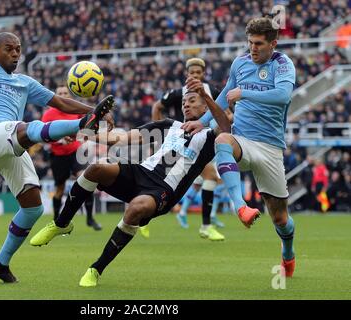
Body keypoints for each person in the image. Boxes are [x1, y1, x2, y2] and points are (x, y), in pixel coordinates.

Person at [0, 32, 114, 283]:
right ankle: (81, 124)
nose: (15, 53)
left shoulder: (25, 82)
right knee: (27, 127)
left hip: (11, 146)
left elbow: (61, 102)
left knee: (33, 207)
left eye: (18, 49)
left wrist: (95, 110)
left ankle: (0, 264)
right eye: (9, 48)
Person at [30, 77, 231, 287]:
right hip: (141, 172)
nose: (186, 104)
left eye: (192, 100)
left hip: (163, 190)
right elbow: (123, 138)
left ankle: (95, 269)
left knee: (136, 208)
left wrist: (207, 96)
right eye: (183, 102)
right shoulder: (169, 126)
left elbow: (225, 126)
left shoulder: (210, 136)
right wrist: (84, 134)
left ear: (205, 105)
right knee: (97, 168)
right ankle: (61, 224)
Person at [182, 17, 296, 277]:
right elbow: (225, 96)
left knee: (280, 219)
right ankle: (240, 207)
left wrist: (245, 93)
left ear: (273, 43)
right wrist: (201, 122)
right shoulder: (240, 63)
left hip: (269, 148)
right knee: (222, 141)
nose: (253, 48)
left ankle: (288, 252)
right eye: (250, 43)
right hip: (242, 139)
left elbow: (282, 96)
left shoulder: (282, 64)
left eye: (258, 44)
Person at [152, 57, 225, 241]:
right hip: (181, 140)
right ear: (187, 74)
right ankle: (202, 223)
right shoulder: (178, 93)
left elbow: (223, 109)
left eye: (198, 73)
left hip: (204, 139)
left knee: (209, 178)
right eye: (192, 73)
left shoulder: (210, 91)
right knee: (165, 184)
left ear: (203, 74)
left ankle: (204, 224)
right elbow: (157, 107)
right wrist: (157, 134)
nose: (195, 75)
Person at [42, 85, 101, 231]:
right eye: (60, 93)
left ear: (70, 95)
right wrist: (60, 139)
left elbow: (86, 128)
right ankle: (56, 221)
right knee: (59, 189)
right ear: (56, 96)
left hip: (76, 153)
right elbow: (43, 135)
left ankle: (90, 218)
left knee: (86, 179)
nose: (63, 95)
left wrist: (80, 136)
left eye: (65, 93)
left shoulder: (76, 111)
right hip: (58, 156)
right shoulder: (49, 114)